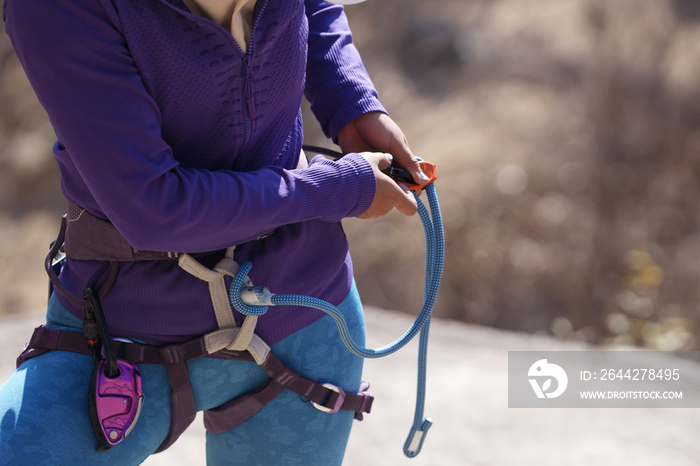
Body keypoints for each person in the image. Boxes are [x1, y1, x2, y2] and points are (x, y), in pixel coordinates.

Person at [0, 0, 429, 464]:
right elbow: (154, 209)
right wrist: (333, 188)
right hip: (118, 331)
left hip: (303, 316)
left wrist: (352, 104)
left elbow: (315, 6)